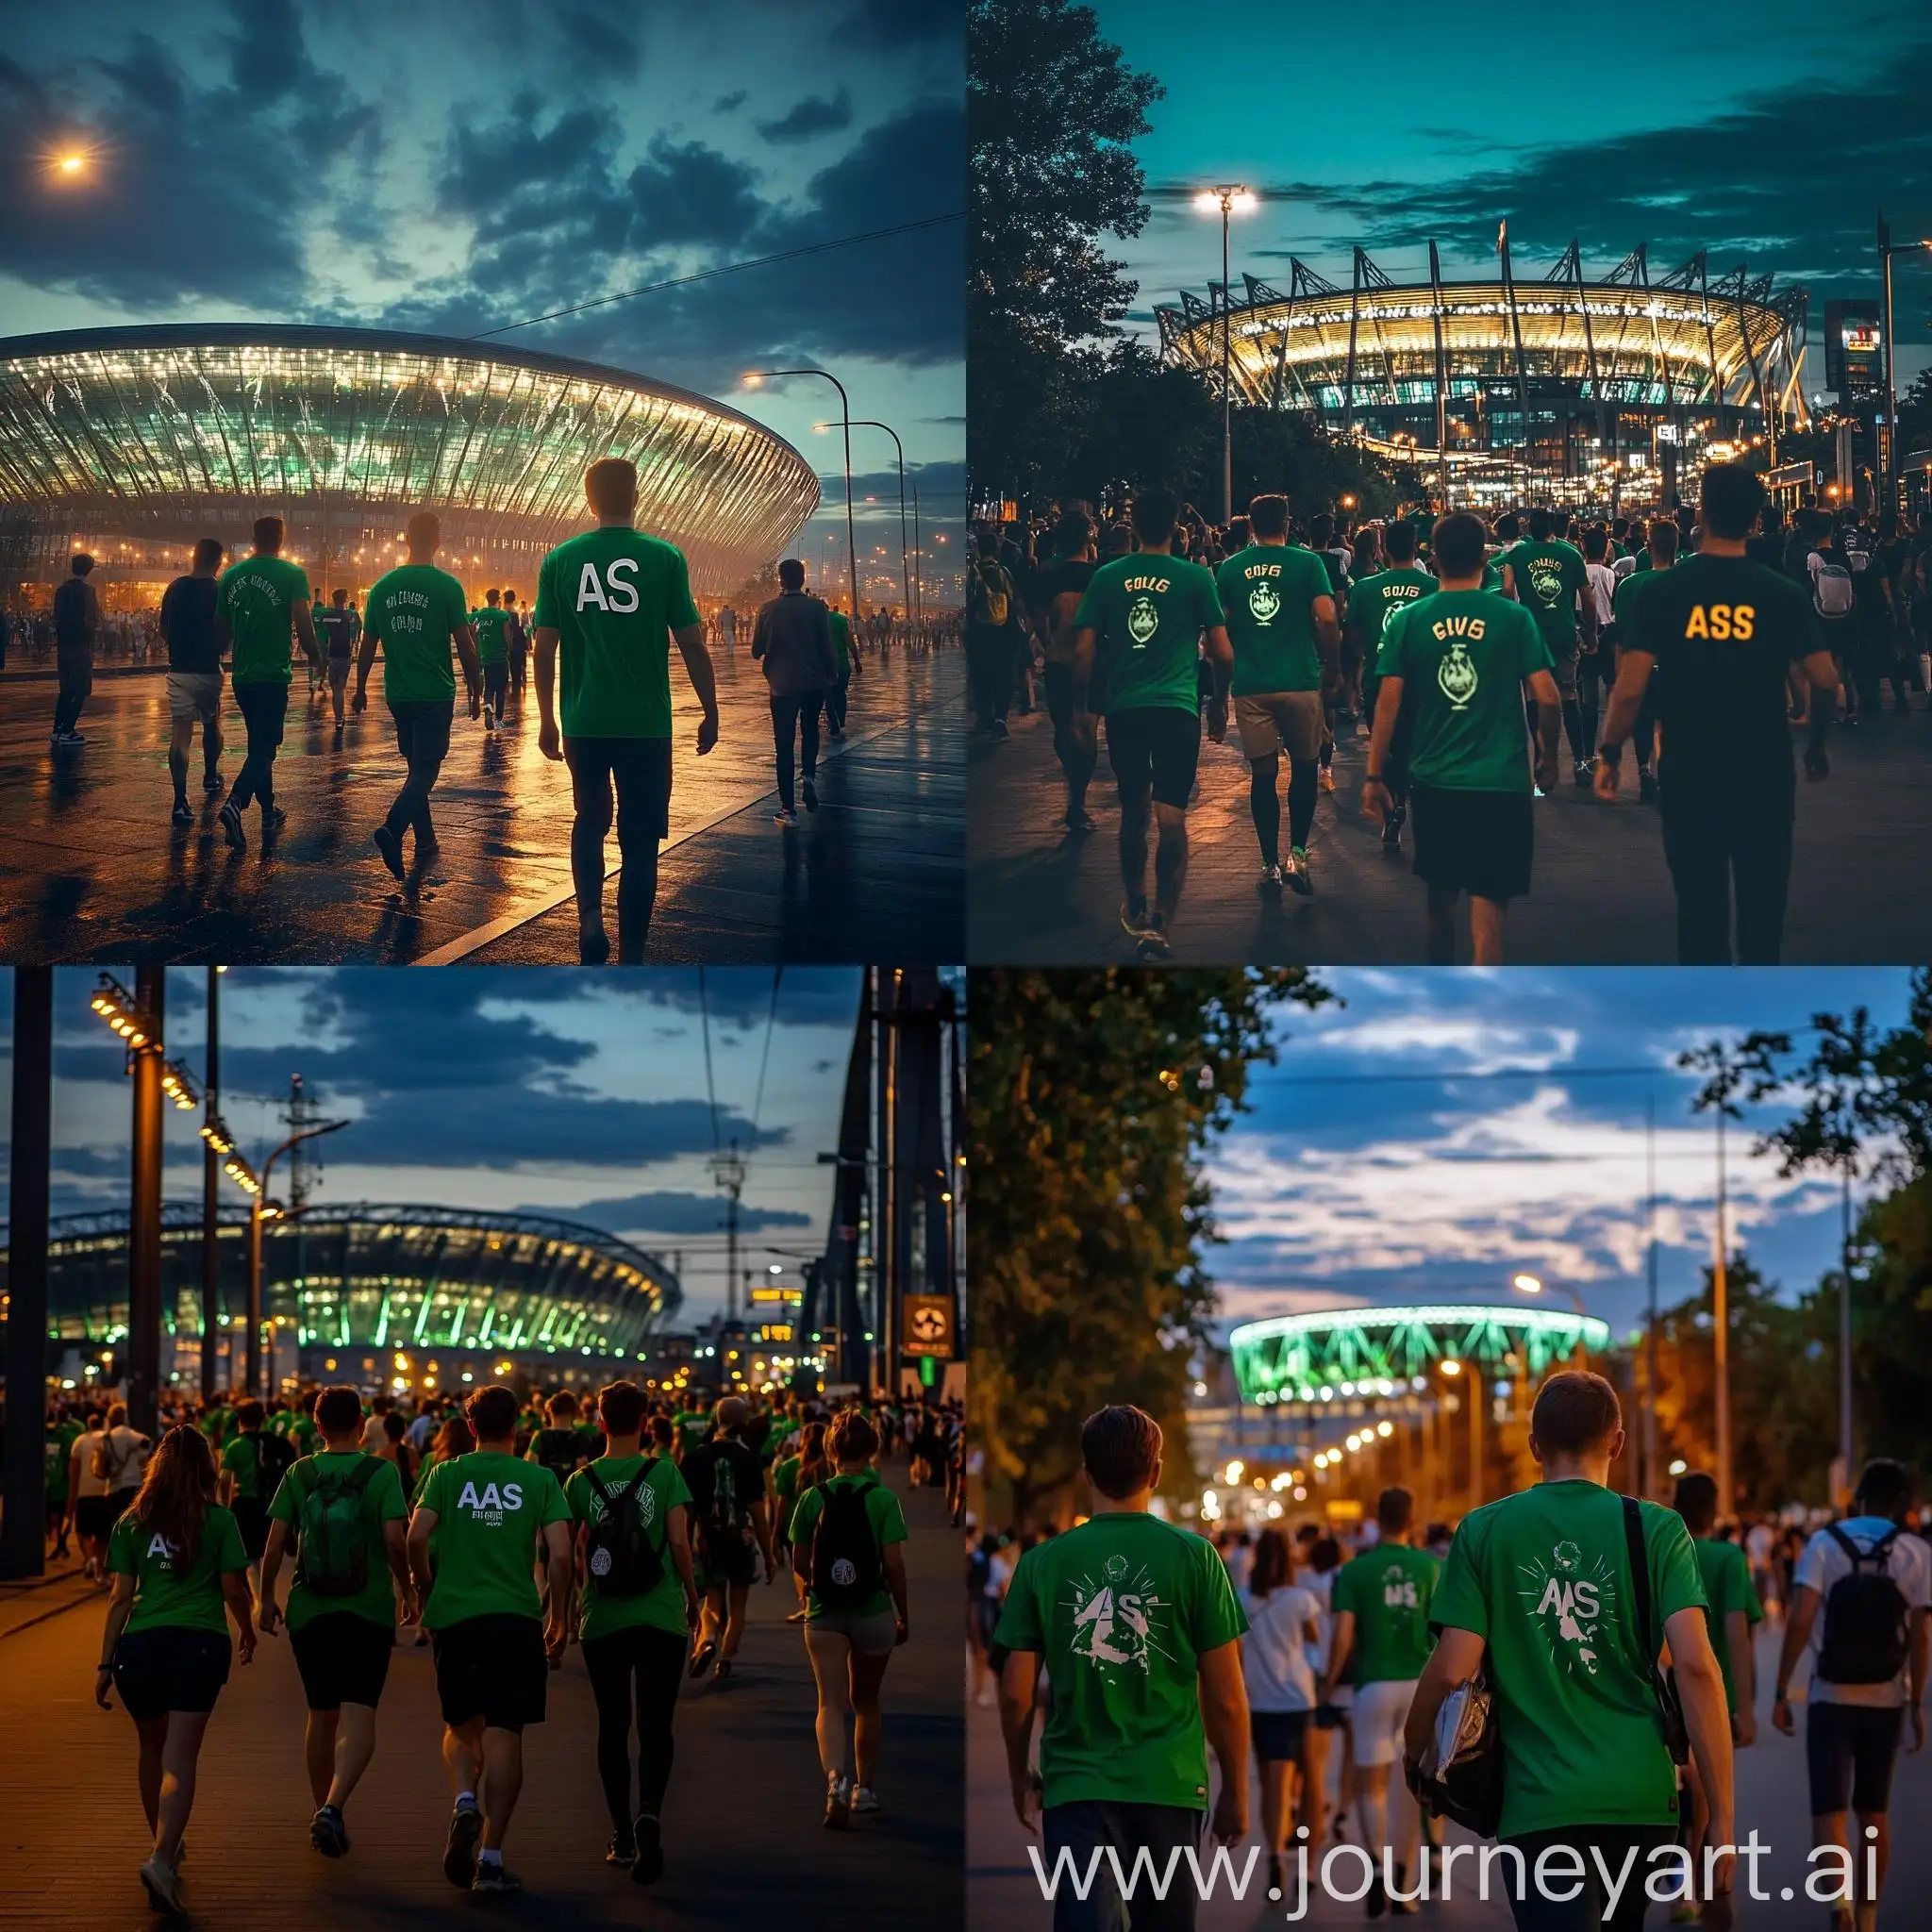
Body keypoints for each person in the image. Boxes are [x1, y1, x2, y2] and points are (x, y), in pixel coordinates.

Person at [1404, 1372, 1735, 1932]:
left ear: (1535, 1447)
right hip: (1641, 1798)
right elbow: (1698, 1667)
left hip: (1538, 1803)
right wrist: (1721, 1816)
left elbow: (1451, 1670)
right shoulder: (1657, 1529)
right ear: (1617, 1442)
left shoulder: (1485, 1530)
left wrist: (1417, 1755)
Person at [996, 1405, 1248, 1932]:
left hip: (1076, 1787)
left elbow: (1017, 1692)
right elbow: (1225, 1695)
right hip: (1171, 1785)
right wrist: (1237, 1791)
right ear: (1154, 1471)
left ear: (1085, 1471)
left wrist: (1021, 1773)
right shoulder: (1196, 1558)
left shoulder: (1041, 1563)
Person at [1597, 463, 1840, 963]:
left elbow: (1630, 687)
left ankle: (1708, 1027)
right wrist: (1815, 745)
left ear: (1701, 516)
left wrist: (1608, 752)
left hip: (1691, 770)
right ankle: (1758, 1027)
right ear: (1756, 520)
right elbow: (1825, 678)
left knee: (1699, 914)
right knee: (1762, 913)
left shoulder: (1665, 591)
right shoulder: (1780, 592)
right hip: (1764, 770)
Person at [532, 458, 718, 965]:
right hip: (646, 726)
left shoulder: (560, 561)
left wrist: (547, 718)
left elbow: (543, 649)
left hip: (585, 723)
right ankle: (633, 954)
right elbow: (692, 645)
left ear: (589, 501)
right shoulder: (664, 558)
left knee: (589, 820)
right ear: (635, 497)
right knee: (640, 844)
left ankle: (589, 918)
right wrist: (710, 708)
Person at [1362, 511, 1560, 964]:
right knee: (1489, 902)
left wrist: (1375, 774)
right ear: (1483, 558)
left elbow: (1387, 705)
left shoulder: (1409, 621)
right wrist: (1547, 756)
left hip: (1435, 782)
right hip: (1502, 783)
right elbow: (1548, 699)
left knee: (1439, 899)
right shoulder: (1513, 618)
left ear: (1433, 558)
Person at [408, 1383, 573, 1894]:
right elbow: (562, 1555)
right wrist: (560, 1616)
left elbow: (415, 1537)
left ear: (471, 1428)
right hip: (516, 1618)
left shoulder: (446, 1474)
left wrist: (424, 1588)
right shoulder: (539, 1478)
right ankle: (493, 1858)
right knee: (505, 1731)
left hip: (456, 1618)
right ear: (518, 1427)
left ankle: (463, 1799)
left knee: (460, 1725)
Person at [95, 1424, 256, 1916]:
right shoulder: (220, 1520)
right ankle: (163, 1858)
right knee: (179, 1761)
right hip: (198, 1645)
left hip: (139, 1647)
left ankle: (162, 1847)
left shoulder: (131, 1522)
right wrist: (246, 1629)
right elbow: (232, 1588)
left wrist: (105, 1663)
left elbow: (120, 1598)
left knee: (150, 1750)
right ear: (207, 1469)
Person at [1070, 487, 1233, 960]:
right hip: (1179, 710)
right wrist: (1220, 701)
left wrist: (1082, 708)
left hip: (1125, 710)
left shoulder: (1107, 577)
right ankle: (1162, 921)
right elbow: (1222, 651)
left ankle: (1135, 899)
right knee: (1172, 818)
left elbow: (1082, 650)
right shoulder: (1196, 577)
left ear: (1133, 526)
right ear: (1178, 527)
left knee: (1133, 811)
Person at [1772, 1457, 1930, 1932]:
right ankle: (1867, 1918)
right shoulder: (1916, 1552)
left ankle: (1838, 1907)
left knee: (1830, 1809)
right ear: (1904, 1506)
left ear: (1857, 1497)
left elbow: (1800, 1618)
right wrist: (1916, 1702)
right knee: (1874, 1812)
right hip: (1885, 1698)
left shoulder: (1823, 1543)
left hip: (1830, 1697)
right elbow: (1922, 1635)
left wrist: (1782, 1688)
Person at [258, 1383, 412, 1857]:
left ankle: (321, 1807)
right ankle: (335, 1805)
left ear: (317, 1426)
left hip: (310, 1609)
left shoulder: (301, 1473)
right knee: (360, 1711)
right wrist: (409, 1590)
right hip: (367, 1610)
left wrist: (265, 1599)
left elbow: (274, 1541)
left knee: (320, 1714)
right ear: (363, 1424)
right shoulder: (381, 1472)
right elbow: (392, 1538)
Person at [565, 1378, 700, 1878]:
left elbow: (574, 1550)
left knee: (612, 1724)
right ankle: (650, 1812)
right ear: (645, 1422)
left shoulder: (581, 1483)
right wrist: (691, 1595)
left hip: (603, 1618)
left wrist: (565, 1612)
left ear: (600, 1422)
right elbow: (681, 1543)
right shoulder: (665, 1473)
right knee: (656, 1723)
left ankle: (621, 1833)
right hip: (660, 1614)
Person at [1319, 1486, 1439, 1916]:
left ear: (1377, 1517)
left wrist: (1328, 1683)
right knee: (1411, 1787)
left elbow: (1343, 1637)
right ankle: (1404, 1886)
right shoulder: (1430, 1569)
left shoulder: (1355, 1572)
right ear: (1410, 1519)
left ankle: (1376, 1866)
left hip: (1372, 1687)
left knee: (1371, 1784)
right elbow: (1443, 1633)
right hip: (1420, 1685)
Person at [789, 1408, 909, 1827]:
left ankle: (835, 1779)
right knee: (867, 1702)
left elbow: (799, 1557)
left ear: (831, 1450)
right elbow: (893, 1564)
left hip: (823, 1613)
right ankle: (865, 1790)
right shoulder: (883, 1500)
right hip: (873, 1610)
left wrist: (814, 1586)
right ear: (873, 1450)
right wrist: (903, 1613)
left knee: (829, 1702)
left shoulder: (812, 1497)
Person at [1215, 493, 1340, 896]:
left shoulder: (1230, 569)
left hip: (1252, 685)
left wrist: (1219, 692)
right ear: (1288, 523)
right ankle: (1298, 855)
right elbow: (1326, 615)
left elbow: (1221, 632)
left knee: (1263, 776)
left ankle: (1269, 863)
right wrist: (1332, 663)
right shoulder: (1308, 563)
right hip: (1300, 681)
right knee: (1305, 769)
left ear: (1250, 525)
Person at [355, 510, 481, 882]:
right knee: (426, 770)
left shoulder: (380, 588)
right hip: (434, 692)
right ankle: (393, 829)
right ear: (438, 542)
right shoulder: (447, 586)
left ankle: (425, 840)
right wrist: (477, 689)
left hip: (399, 693)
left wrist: (360, 688)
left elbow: (367, 645)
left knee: (415, 768)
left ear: (405, 540)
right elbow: (465, 645)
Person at [1672, 1471, 1760, 1918]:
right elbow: (1737, 1633)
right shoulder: (1727, 1558)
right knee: (1709, 1800)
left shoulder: (1664, 1549)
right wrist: (1745, 1707)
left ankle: (1680, 1884)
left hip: (1665, 1697)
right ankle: (1708, 1896)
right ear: (1713, 1508)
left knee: (1679, 1795)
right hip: (1712, 1695)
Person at [215, 516, 321, 852]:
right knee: (265, 747)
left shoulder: (231, 576)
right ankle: (236, 803)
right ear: (281, 539)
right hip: (273, 674)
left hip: (242, 675)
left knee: (258, 745)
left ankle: (268, 811)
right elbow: (303, 623)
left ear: (252, 536)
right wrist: (315, 657)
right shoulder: (291, 574)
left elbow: (221, 629)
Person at [1238, 1526, 1322, 1900]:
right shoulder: (1300, 1599)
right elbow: (1316, 1641)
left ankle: (1274, 1856)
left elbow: (1235, 1653)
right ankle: (1307, 1867)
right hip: (1297, 1697)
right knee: (1311, 1782)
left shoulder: (1241, 1598)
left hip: (1259, 1700)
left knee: (1273, 1781)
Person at [1348, 519, 1437, 855]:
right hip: (1422, 685)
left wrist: (1352, 683)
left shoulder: (1366, 589)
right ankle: (1409, 805)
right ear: (1415, 548)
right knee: (1414, 750)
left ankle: (1393, 810)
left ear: (1383, 549)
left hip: (1378, 681)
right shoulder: (1432, 587)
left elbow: (1353, 641)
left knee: (1384, 746)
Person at [1499, 506, 1599, 783]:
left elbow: (1507, 590)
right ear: (1554, 529)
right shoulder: (1571, 554)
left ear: (1529, 530)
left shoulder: (1516, 555)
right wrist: (1591, 634)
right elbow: (1588, 599)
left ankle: (1542, 760)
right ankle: (1579, 761)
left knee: (1534, 698)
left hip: (1532, 636)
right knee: (1568, 697)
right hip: (1564, 633)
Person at [682, 1394, 775, 1681]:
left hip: (709, 1540)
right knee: (737, 1607)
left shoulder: (696, 1457)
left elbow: (686, 1513)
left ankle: (708, 1637)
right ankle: (725, 1660)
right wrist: (769, 1555)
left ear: (717, 1421)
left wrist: (685, 1548)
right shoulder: (748, 1459)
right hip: (740, 1540)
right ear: (742, 1424)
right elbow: (759, 1515)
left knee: (711, 1603)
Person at [1025, 509, 1103, 832]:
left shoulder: (1047, 575)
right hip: (1094, 661)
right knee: (1087, 729)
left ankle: (1074, 790)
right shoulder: (1100, 575)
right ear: (1088, 539)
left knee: (1063, 729)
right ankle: (1078, 799)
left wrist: (1049, 642)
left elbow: (1037, 620)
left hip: (1058, 660)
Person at [751, 560, 839, 824]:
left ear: (780, 580)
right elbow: (827, 645)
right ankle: (809, 774)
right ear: (803, 579)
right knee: (810, 729)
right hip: (813, 683)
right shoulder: (816, 608)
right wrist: (831, 674)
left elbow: (757, 650)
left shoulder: (767, 609)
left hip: (781, 686)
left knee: (784, 744)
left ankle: (788, 809)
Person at [159, 538, 226, 824]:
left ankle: (179, 801)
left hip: (179, 670)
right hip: (209, 669)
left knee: (180, 736)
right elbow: (225, 631)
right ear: (219, 563)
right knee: (212, 723)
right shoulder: (219, 590)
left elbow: (163, 630)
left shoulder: (174, 587)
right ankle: (210, 777)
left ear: (194, 557)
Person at [51, 551, 100, 749]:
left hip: (63, 646)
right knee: (80, 690)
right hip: (80, 646)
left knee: (65, 689)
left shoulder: (61, 590)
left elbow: (56, 617)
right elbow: (92, 619)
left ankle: (57, 729)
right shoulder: (88, 592)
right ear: (88, 570)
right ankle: (68, 730)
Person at [96, 1403, 153, 1522]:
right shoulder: (130, 1435)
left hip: (113, 1487)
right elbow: (146, 1443)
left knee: (116, 1524)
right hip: (132, 1486)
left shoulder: (106, 1439)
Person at [316, 587, 359, 739]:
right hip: (345, 655)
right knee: (341, 687)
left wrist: (321, 657)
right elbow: (355, 633)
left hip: (331, 655)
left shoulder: (326, 616)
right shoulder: (350, 615)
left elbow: (321, 636)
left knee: (336, 690)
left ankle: (338, 719)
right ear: (346, 599)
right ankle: (340, 718)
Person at [472, 587, 510, 730]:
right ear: (498, 600)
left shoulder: (480, 614)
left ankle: (488, 705)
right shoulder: (502, 616)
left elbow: (469, 624)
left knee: (489, 686)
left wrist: (477, 642)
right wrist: (508, 650)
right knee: (500, 690)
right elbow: (507, 637)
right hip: (500, 658)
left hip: (486, 658)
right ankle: (498, 720)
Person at [824, 595, 862, 738]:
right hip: (841, 664)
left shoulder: (814, 621)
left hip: (823, 666)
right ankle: (840, 720)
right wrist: (857, 661)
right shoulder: (840, 619)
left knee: (827, 695)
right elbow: (850, 642)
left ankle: (833, 721)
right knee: (840, 693)